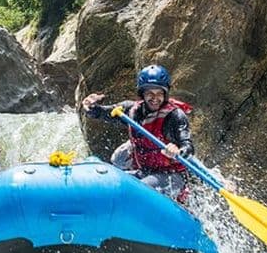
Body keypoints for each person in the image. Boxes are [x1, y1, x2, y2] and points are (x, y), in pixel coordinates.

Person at [81, 64, 194, 201]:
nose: (155, 98)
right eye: (149, 93)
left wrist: (177, 151)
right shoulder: (132, 110)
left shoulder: (175, 115)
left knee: (139, 191)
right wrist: (91, 107)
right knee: (116, 166)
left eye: (159, 93)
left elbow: (187, 146)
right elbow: (102, 112)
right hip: (145, 171)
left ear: (165, 94)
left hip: (172, 176)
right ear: (142, 94)